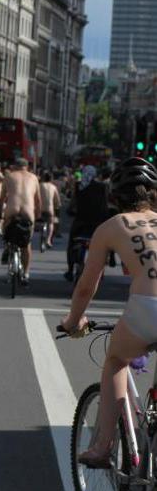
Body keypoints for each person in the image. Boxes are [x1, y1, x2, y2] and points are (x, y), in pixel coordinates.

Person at [61, 158, 157, 467]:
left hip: (148, 308)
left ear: (114, 197)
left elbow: (87, 286)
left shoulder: (110, 227)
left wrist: (74, 322)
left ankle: (103, 447)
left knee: (116, 360)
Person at [64, 165, 111, 282]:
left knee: (71, 244)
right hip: (97, 224)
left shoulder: (79, 185)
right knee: (104, 246)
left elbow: (73, 203)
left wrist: (70, 210)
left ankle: (70, 270)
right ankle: (103, 269)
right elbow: (105, 204)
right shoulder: (102, 186)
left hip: (80, 223)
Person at [0, 158, 41, 284]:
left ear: (15, 166)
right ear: (27, 167)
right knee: (27, 244)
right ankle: (26, 274)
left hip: (12, 209)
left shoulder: (9, 176)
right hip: (28, 212)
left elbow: (2, 199)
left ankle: (7, 246)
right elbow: (38, 201)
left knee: (6, 229)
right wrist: (38, 216)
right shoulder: (34, 178)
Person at [39, 171, 61, 247]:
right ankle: (48, 240)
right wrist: (57, 206)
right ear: (51, 179)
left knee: (38, 221)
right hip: (49, 209)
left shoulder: (40, 185)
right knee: (51, 223)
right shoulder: (53, 187)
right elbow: (57, 201)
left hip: (40, 209)